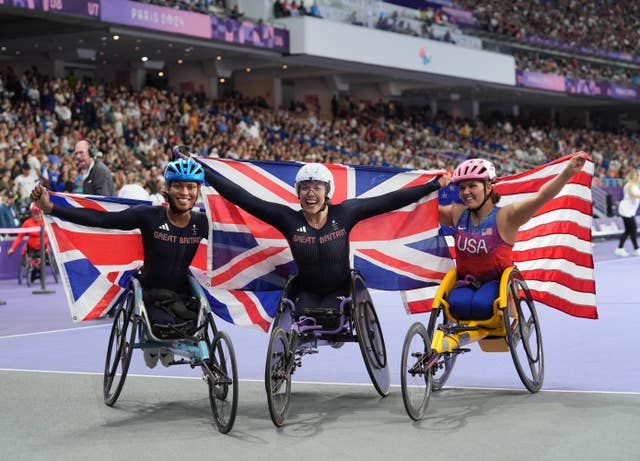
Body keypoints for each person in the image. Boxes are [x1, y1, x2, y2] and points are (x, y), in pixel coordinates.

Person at [190, 151, 449, 314]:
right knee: (302, 313)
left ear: (327, 191)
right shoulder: (286, 218)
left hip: (341, 288)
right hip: (306, 289)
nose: (310, 194)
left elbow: (390, 200)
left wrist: (432, 186)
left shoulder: (345, 213)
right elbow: (243, 198)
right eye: (304, 188)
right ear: (298, 192)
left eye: (316, 188)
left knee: (332, 313)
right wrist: (205, 172)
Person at [30, 158, 208, 368]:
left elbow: (238, 235)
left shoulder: (202, 222)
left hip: (183, 293)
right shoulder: (149, 216)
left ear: (198, 191)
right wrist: (51, 208)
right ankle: (155, 343)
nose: (184, 192)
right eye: (178, 186)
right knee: (162, 327)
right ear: (167, 188)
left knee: (198, 319)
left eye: (190, 187)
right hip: (151, 294)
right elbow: (101, 220)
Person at [438, 153, 587, 319]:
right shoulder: (457, 213)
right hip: (466, 281)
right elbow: (426, 210)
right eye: (462, 188)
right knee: (456, 304)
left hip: (498, 285)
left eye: (472, 186)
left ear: (488, 187)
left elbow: (541, 197)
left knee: (482, 304)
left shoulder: (506, 217)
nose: (466, 192)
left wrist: (567, 173)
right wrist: (430, 186)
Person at [7, 202, 50, 284]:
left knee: (46, 252)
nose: (37, 216)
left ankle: (39, 271)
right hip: (31, 248)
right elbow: (20, 237)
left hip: (44, 248)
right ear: (32, 214)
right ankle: (33, 270)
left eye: (38, 214)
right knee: (27, 251)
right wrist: (12, 248)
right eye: (35, 214)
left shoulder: (46, 222)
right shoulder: (27, 223)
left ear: (41, 213)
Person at [614, 168, 640, 257]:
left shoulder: (633, 185)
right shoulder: (631, 186)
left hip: (627, 210)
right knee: (633, 230)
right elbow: (634, 196)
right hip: (626, 210)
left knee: (629, 230)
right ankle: (636, 249)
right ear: (636, 177)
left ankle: (620, 249)